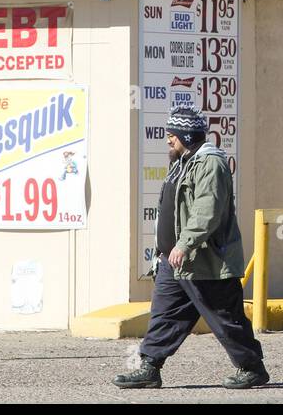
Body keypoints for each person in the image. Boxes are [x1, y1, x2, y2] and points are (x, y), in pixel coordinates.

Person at [113, 107, 269, 389]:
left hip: (204, 259)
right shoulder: (182, 162)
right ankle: (149, 367)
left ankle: (252, 367)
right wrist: (164, 252)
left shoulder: (210, 163)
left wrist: (185, 244)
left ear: (186, 135)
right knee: (164, 315)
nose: (168, 141)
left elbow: (206, 209)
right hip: (173, 262)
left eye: (171, 135)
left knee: (225, 317)